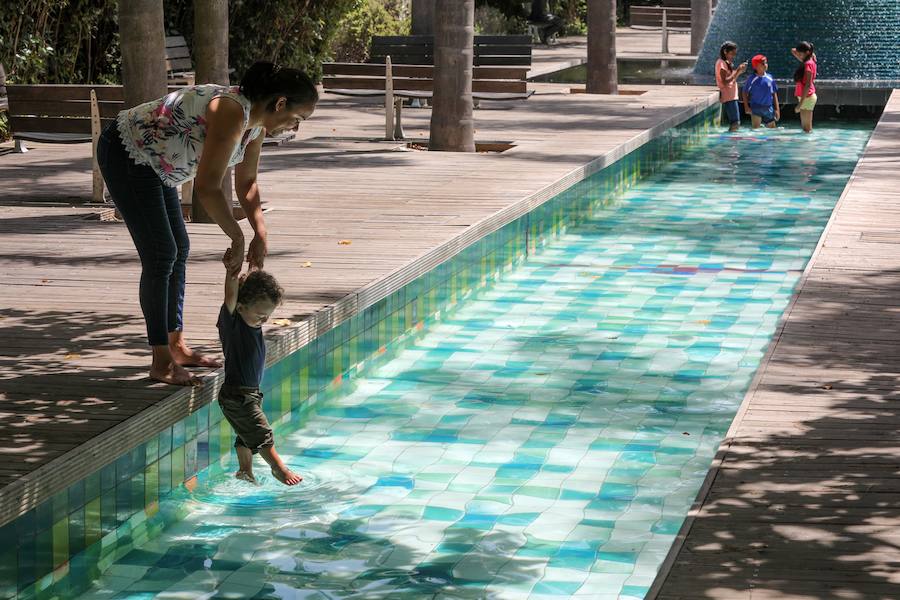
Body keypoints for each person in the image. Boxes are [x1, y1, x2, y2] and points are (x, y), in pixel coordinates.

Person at [97, 62, 318, 386]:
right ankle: (161, 361)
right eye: (297, 118)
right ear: (280, 103)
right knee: (161, 254)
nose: (293, 127)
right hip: (128, 152)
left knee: (178, 248)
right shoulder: (231, 112)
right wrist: (238, 238)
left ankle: (176, 345)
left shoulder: (255, 125)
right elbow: (208, 187)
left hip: (159, 163)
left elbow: (248, 182)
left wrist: (260, 231)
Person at [217, 251, 301, 486]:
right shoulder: (233, 323)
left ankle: (245, 470)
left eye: (268, 316)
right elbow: (231, 293)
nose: (264, 320)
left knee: (245, 436)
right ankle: (278, 468)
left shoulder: (249, 320)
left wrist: (255, 264)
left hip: (248, 393)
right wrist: (231, 272)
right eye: (261, 315)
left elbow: (254, 281)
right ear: (241, 307)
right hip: (237, 395)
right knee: (262, 435)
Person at [715, 41, 748, 132]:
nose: (733, 56)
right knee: (735, 122)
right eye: (732, 54)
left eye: (735, 54)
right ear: (725, 51)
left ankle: (732, 140)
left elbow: (732, 79)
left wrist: (739, 72)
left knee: (736, 122)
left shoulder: (726, 63)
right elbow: (725, 81)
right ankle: (731, 141)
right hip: (728, 96)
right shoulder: (722, 63)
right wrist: (737, 71)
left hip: (732, 95)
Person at [742, 54, 780, 129]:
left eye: (766, 63)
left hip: (768, 108)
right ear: (755, 66)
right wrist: (746, 107)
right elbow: (744, 92)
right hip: (756, 108)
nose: (765, 65)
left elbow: (774, 94)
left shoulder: (770, 78)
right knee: (756, 129)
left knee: (772, 129)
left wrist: (777, 109)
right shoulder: (752, 79)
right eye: (763, 63)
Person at [791, 41, 817, 133]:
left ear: (807, 53)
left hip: (807, 97)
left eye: (800, 54)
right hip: (805, 97)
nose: (799, 56)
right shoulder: (807, 60)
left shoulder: (808, 64)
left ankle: (809, 145)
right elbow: (793, 50)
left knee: (807, 128)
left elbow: (808, 84)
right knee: (805, 128)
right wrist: (811, 52)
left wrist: (800, 104)